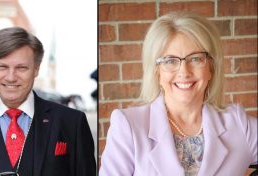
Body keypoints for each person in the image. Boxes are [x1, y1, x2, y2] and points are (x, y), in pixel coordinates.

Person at [99, 11, 257, 175]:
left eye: (196, 59)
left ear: (211, 68)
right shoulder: (128, 126)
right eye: (170, 61)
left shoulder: (239, 124)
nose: (184, 72)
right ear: (156, 72)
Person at [0, 27, 96, 176]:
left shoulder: (72, 122)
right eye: (2, 67)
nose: (11, 77)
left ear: (36, 69)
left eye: (21, 68)